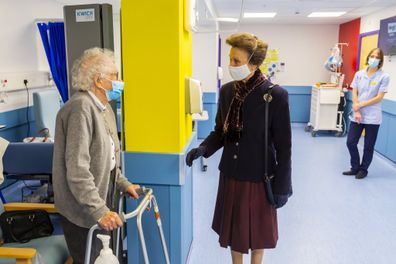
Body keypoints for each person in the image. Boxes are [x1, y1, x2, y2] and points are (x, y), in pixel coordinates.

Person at [186, 33, 292, 264]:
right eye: (230, 59)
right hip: (232, 173)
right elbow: (220, 132)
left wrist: (283, 186)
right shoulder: (227, 92)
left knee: (257, 233)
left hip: (259, 176)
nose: (231, 65)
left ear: (253, 63)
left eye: (236, 61)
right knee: (235, 232)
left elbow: (285, 147)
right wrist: (203, 149)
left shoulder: (274, 96)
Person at [53, 47, 140, 264]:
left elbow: (109, 159)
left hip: (101, 203)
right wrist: (99, 210)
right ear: (99, 80)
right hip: (81, 212)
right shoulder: (80, 108)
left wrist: (123, 183)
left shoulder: (104, 108)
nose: (119, 81)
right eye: (115, 76)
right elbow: (77, 170)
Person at [343, 48, 390, 179]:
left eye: (377, 57)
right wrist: (357, 110)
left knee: (368, 146)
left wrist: (360, 105)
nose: (374, 59)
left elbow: (379, 97)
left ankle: (364, 169)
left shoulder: (384, 76)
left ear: (380, 60)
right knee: (351, 142)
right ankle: (355, 167)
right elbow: (354, 92)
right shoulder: (359, 74)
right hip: (357, 115)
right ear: (368, 57)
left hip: (373, 116)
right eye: (372, 56)